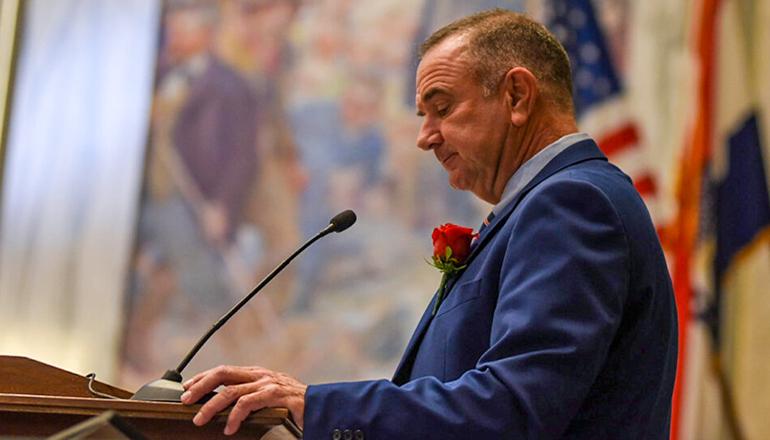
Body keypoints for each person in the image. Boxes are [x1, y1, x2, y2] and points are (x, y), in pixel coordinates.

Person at [181, 9, 678, 439]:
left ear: (518, 96)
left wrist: (316, 406)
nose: (424, 137)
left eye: (442, 108)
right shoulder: (549, 204)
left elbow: (515, 408)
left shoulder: (572, 202)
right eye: (422, 115)